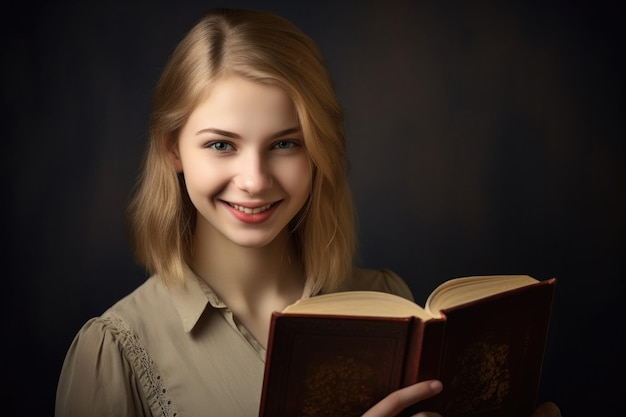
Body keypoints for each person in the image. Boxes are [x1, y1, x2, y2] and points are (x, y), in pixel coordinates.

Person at [55, 8, 561, 417]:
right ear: (172, 150)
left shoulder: (387, 301)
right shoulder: (114, 352)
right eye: (221, 145)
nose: (254, 180)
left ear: (319, 150)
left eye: (284, 144)